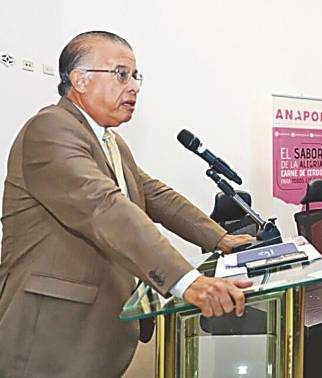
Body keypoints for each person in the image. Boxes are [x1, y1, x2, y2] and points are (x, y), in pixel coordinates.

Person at [0, 31, 254, 377]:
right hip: (50, 339)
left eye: (136, 76)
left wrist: (219, 239)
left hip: (96, 335)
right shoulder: (50, 130)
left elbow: (153, 194)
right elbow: (104, 209)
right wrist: (187, 281)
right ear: (80, 80)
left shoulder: (108, 140)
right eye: (121, 74)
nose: (133, 86)